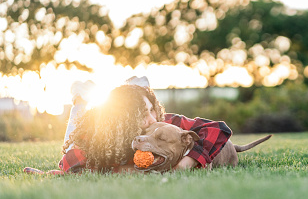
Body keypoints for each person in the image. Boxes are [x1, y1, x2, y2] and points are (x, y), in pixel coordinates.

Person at [24, 76, 232, 174]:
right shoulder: (102, 136)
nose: (152, 119)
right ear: (124, 120)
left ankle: (137, 88)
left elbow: (218, 129)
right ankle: (80, 97)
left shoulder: (162, 123)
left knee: (141, 101)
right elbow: (69, 163)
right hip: (98, 123)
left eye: (151, 109)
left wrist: (188, 161)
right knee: (75, 126)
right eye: (142, 114)